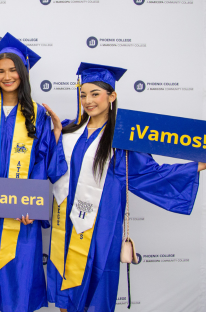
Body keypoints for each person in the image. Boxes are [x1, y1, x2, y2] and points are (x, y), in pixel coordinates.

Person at [43, 62, 206, 312]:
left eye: (95, 94)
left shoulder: (121, 139)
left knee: (95, 292)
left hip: (100, 227)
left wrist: (196, 167)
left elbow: (150, 174)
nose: (88, 101)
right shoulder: (69, 130)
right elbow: (52, 171)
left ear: (112, 96)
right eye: (83, 94)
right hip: (64, 222)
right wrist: (55, 137)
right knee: (65, 290)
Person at [0, 32, 66, 312]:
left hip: (22, 217)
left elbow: (43, 165)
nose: (7, 76)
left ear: (24, 74)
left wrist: (34, 203)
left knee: (17, 286)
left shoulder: (37, 116)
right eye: (1, 71)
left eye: (13, 70)